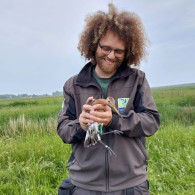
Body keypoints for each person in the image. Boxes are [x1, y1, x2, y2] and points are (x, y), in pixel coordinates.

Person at [57, 3, 160, 195]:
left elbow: (152, 122)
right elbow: (63, 129)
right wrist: (81, 126)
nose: (111, 56)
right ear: (93, 44)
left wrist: (115, 120)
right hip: (84, 185)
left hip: (130, 184)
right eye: (105, 48)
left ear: (128, 51)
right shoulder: (73, 85)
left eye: (119, 51)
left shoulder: (138, 80)